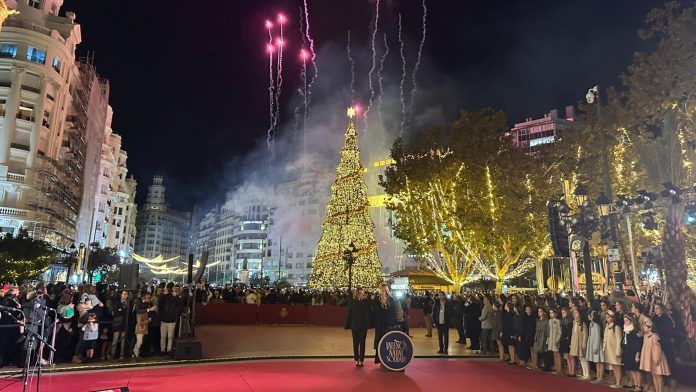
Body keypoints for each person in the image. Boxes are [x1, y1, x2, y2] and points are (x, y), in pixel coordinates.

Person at [640, 318, 670, 392]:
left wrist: (656, 359)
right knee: (653, 374)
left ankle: (660, 390)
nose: (643, 327)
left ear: (650, 328)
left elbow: (657, 349)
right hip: (650, 357)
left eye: (645, 326)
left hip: (656, 358)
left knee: (658, 375)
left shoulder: (655, 336)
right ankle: (656, 389)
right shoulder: (645, 336)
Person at [345, 288, 372, 366]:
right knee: (355, 343)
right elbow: (349, 313)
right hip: (355, 325)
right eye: (359, 293)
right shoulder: (353, 302)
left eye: (362, 293)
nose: (361, 294)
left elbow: (370, 311)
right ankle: (356, 359)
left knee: (362, 343)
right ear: (356, 294)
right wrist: (348, 324)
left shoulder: (366, 302)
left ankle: (361, 359)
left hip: (363, 326)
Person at [373, 283, 399, 365]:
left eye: (387, 289)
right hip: (380, 324)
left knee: (389, 342)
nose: (386, 291)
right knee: (380, 341)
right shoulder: (377, 299)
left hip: (389, 324)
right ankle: (380, 359)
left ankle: (388, 359)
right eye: (384, 289)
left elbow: (394, 312)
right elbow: (376, 311)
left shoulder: (391, 299)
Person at [158, 282, 182, 356]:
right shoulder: (164, 296)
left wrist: (175, 296)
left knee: (169, 337)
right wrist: (163, 295)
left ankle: (168, 350)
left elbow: (179, 304)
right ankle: (163, 350)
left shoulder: (176, 297)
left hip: (171, 319)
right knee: (163, 337)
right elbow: (160, 304)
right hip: (165, 319)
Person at [621, 314, 642, 391]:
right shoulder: (625, 329)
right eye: (624, 321)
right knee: (632, 369)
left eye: (627, 320)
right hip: (628, 351)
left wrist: (637, 354)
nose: (625, 322)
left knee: (636, 370)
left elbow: (638, 344)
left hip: (634, 352)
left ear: (631, 321)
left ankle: (639, 386)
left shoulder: (635, 330)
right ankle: (635, 384)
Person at [603, 310, 622, 388]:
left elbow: (619, 339)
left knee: (617, 366)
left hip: (614, 349)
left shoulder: (616, 327)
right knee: (614, 366)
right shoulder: (607, 326)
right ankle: (616, 381)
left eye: (608, 317)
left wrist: (618, 350)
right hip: (609, 349)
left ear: (613, 318)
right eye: (606, 317)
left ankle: (618, 383)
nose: (607, 319)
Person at [569, 308, 589, 379]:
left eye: (576, 313)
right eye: (574, 313)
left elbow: (585, 334)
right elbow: (573, 334)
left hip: (581, 343)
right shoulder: (574, 322)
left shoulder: (582, 323)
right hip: (575, 342)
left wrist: (584, 343)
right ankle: (584, 373)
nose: (574, 314)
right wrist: (571, 343)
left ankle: (587, 374)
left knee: (584, 358)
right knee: (580, 358)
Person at [587, 310, 605, 384]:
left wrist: (596, 347)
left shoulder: (596, 325)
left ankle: (600, 377)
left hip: (597, 345)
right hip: (592, 344)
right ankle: (598, 376)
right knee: (596, 362)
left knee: (599, 362)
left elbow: (598, 337)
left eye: (589, 315)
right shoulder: (591, 324)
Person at [110, 290, 129, 360]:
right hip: (117, 323)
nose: (124, 295)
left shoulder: (128, 303)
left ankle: (122, 355)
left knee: (123, 340)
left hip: (124, 323)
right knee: (115, 339)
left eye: (126, 294)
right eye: (123, 294)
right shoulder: (117, 302)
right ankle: (113, 354)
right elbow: (115, 312)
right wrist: (120, 310)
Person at [547, 308, 561, 373]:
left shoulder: (558, 321)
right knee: (554, 353)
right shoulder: (550, 321)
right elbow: (549, 331)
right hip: (551, 340)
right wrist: (548, 340)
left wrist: (557, 340)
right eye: (550, 313)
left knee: (557, 354)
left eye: (552, 313)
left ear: (556, 314)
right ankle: (556, 366)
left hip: (556, 340)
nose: (551, 314)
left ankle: (559, 368)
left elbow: (559, 332)